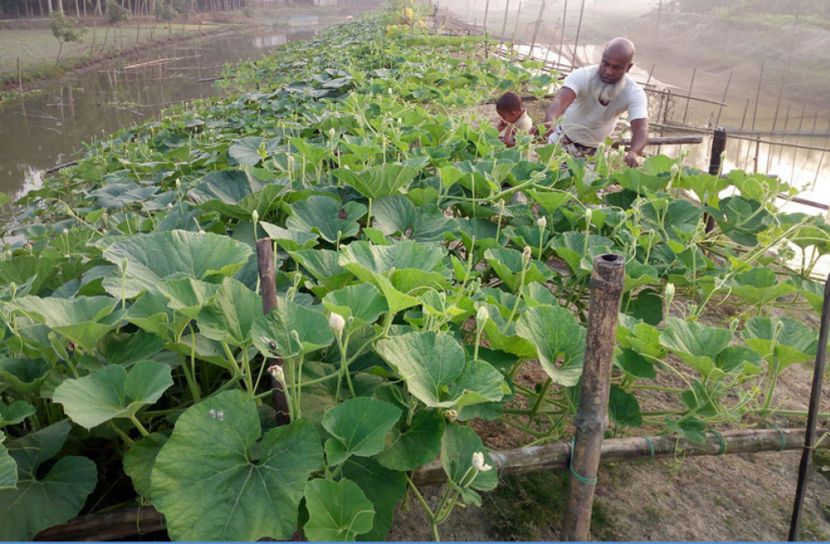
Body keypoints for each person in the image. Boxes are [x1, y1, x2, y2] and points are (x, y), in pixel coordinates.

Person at [543, 37, 649, 167]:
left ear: (629, 67)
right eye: (605, 63)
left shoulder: (634, 92)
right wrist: (550, 120)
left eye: (616, 68)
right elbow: (559, 102)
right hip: (561, 142)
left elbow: (641, 128)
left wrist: (634, 152)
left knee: (585, 187)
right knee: (548, 180)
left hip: (594, 153)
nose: (608, 71)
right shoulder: (582, 75)